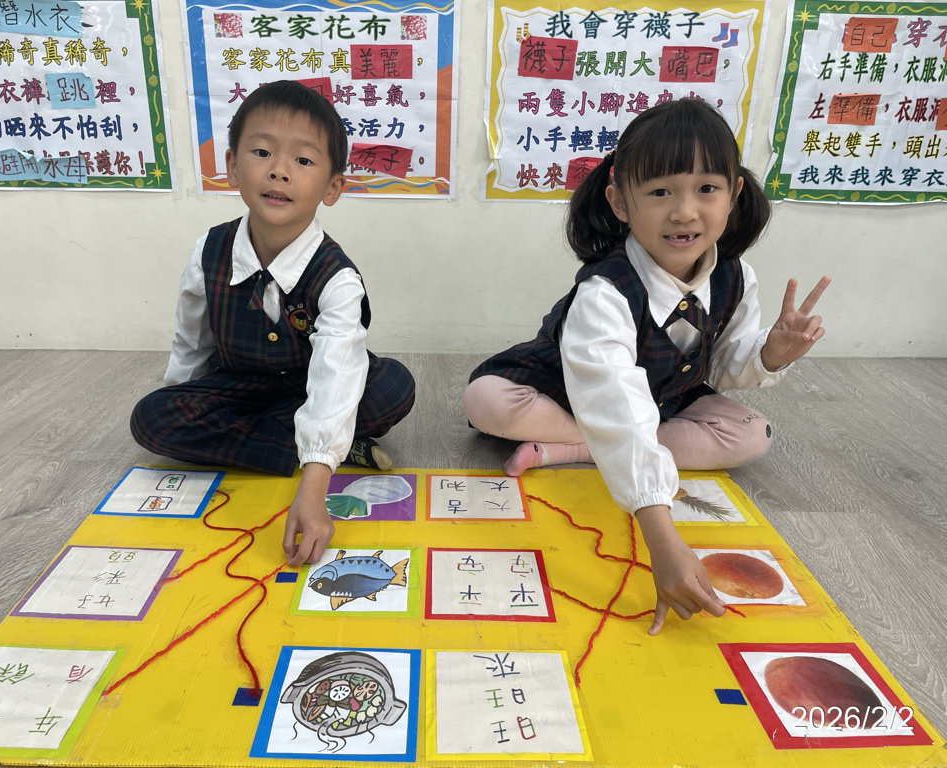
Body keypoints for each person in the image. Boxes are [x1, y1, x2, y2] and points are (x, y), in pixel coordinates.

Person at [464, 97, 830, 635]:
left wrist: (771, 353)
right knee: (486, 400)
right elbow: (611, 395)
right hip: (569, 388)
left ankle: (575, 450)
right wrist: (661, 536)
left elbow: (722, 366)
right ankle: (609, 447)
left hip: (663, 397)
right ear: (619, 201)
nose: (684, 212)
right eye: (660, 192)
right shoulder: (605, 290)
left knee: (754, 434)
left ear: (735, 194)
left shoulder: (736, 277)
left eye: (707, 189)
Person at [131, 80, 415, 567]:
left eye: (303, 160)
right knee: (152, 417)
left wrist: (314, 488)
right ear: (231, 166)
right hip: (237, 385)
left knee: (393, 386)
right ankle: (327, 445)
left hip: (311, 383)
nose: (279, 170)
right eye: (262, 152)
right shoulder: (210, 250)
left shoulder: (337, 277)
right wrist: (187, 400)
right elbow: (192, 340)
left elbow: (338, 369)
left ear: (332, 188)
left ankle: (316, 446)